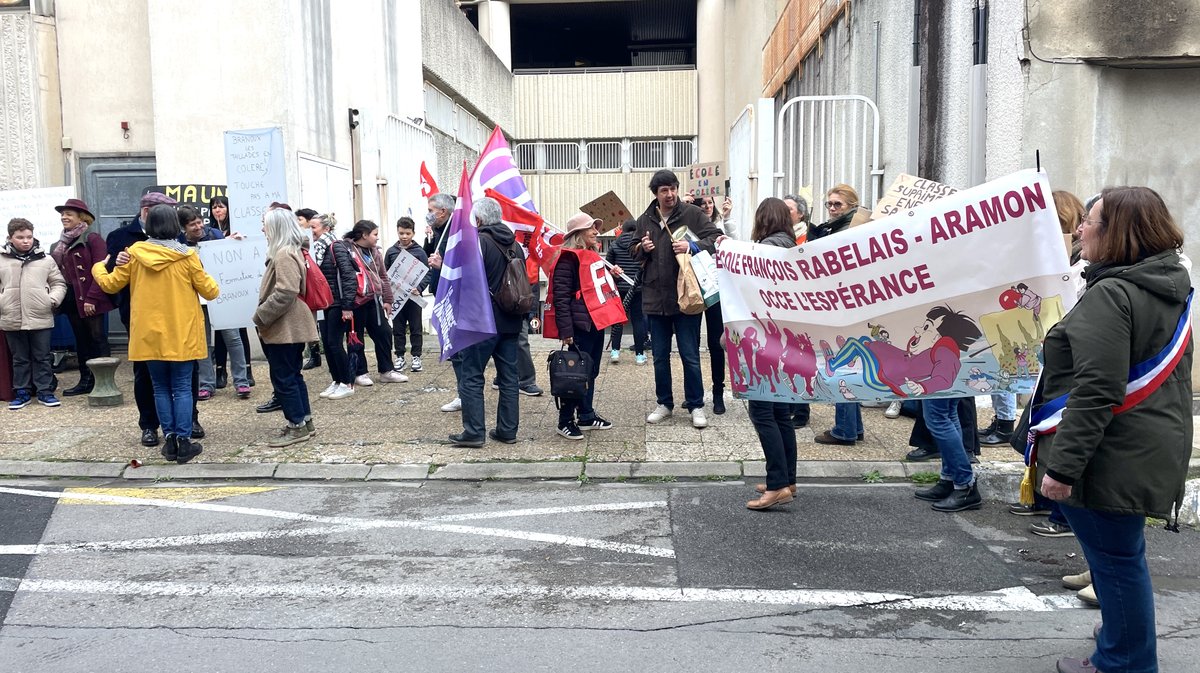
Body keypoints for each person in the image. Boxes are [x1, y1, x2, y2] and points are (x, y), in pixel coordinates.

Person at [1037, 187, 1191, 673]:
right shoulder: (1167, 282)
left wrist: (1063, 468)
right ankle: (1123, 641)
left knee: (1117, 564)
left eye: (1091, 222)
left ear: (1118, 233)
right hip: (1145, 441)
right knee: (1122, 557)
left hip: (1112, 451)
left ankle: (1124, 661)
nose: (1080, 230)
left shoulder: (1114, 293)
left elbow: (1097, 390)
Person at [93, 204, 218, 464]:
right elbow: (211, 291)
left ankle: (169, 439)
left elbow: (111, 283)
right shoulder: (187, 256)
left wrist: (98, 268)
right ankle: (184, 442)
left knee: (160, 387)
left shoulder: (134, 254)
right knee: (183, 387)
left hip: (148, 333)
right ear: (175, 226)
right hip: (182, 331)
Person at [632, 169, 722, 429]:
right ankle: (665, 403)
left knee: (690, 355)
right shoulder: (646, 219)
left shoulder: (692, 214)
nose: (670, 194)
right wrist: (642, 248)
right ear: (655, 194)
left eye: (673, 188)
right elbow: (632, 249)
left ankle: (696, 405)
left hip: (687, 298)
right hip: (654, 299)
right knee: (659, 356)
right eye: (664, 190)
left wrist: (692, 247)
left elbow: (716, 238)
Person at [737, 199, 800, 510]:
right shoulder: (788, 244)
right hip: (783, 339)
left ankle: (776, 485)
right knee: (780, 415)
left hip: (765, 340)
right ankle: (788, 479)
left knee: (763, 412)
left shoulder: (767, 248)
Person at [450, 197, 522, 448]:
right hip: (511, 321)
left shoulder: (477, 243)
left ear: (478, 220)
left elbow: (465, 282)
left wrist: (442, 267)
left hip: (481, 322)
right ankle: (507, 430)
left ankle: (474, 432)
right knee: (509, 378)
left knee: (471, 375)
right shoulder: (516, 244)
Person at [253, 208, 320, 447]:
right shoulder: (291, 251)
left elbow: (286, 291)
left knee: (284, 377)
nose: (263, 229)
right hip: (289, 324)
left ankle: (297, 426)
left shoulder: (283, 254)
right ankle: (304, 422)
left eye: (265, 224)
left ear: (276, 228)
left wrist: (261, 315)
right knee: (292, 375)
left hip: (285, 325)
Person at [551, 213, 615, 439]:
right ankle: (565, 420)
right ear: (578, 234)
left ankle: (586, 415)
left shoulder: (591, 256)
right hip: (580, 326)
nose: (597, 232)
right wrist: (566, 331)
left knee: (591, 371)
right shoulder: (567, 259)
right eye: (591, 228)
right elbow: (560, 298)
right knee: (575, 374)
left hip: (595, 322)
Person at [177, 206, 251, 401]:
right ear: (183, 227)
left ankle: (241, 381)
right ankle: (206, 384)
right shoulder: (179, 243)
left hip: (220, 295)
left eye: (200, 222)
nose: (199, 226)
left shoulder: (215, 234)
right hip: (195, 298)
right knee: (202, 341)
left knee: (233, 337)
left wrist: (230, 243)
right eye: (193, 224)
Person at [813, 185, 866, 445]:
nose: (832, 209)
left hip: (844, 308)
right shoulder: (840, 228)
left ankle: (844, 429)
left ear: (852, 207)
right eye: (829, 204)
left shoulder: (846, 231)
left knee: (842, 366)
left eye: (838, 205)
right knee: (849, 366)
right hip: (847, 307)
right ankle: (853, 427)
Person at [1, 218, 67, 409]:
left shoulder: (45, 259)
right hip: (11, 316)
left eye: (29, 236)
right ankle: (22, 392)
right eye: (20, 237)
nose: (26, 241)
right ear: (10, 238)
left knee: (42, 356)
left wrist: (52, 300)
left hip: (40, 315)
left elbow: (58, 283)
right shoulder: (1, 259)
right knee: (19, 358)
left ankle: (45, 391)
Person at [49, 198, 113, 396]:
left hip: (91, 296)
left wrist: (92, 298)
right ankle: (85, 380)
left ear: (81, 217)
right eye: (63, 214)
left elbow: (100, 269)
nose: (64, 217)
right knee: (81, 340)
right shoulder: (60, 244)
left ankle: (105, 381)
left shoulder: (92, 239)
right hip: (72, 298)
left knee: (96, 338)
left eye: (69, 214)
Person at [340, 220, 408, 386]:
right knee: (356, 337)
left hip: (373, 299)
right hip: (355, 301)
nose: (377, 238)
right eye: (375, 234)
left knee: (384, 332)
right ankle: (359, 372)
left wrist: (388, 299)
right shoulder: (347, 250)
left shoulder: (375, 252)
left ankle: (386, 370)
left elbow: (383, 276)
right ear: (364, 235)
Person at [207, 194, 255, 391]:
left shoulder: (238, 227)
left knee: (240, 329)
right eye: (214, 207)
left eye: (221, 207)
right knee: (219, 331)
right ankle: (220, 371)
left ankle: (247, 371)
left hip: (236, 285)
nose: (218, 210)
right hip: (217, 287)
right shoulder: (209, 231)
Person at [311, 214, 357, 400]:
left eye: (314, 227)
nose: (311, 231)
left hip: (338, 302)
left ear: (326, 229)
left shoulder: (335, 246)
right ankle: (337, 380)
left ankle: (347, 382)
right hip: (326, 302)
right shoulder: (317, 249)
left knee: (334, 344)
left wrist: (347, 305)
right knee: (328, 345)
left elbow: (348, 276)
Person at [781, 194, 813, 427]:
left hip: (802, 307)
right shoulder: (784, 236)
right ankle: (793, 405)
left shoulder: (807, 237)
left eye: (788, 209)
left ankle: (801, 411)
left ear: (800, 214)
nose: (784, 213)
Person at [385, 216, 429, 374]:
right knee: (398, 328)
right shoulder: (391, 252)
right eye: (401, 233)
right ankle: (400, 356)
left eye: (407, 233)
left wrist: (420, 287)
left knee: (416, 328)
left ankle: (416, 356)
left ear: (413, 233)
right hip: (397, 296)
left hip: (414, 297)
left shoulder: (419, 252)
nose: (404, 236)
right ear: (397, 232)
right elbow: (386, 274)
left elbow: (427, 274)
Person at [605, 220, 648, 365]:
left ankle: (615, 351)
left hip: (618, 288)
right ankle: (639, 355)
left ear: (622, 230)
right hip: (637, 288)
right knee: (638, 320)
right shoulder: (639, 246)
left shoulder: (614, 245)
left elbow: (608, 267)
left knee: (618, 319)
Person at [295, 207, 323, 371]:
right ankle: (314, 353)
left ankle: (315, 354)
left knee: (314, 322)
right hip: (305, 284)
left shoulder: (314, 241)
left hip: (313, 284)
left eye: (300, 219)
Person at [423, 192, 454, 295]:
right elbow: (427, 256)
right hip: (438, 288)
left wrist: (442, 266)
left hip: (450, 290)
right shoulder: (437, 230)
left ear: (443, 212)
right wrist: (429, 239)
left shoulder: (455, 233)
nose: (428, 214)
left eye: (430, 211)